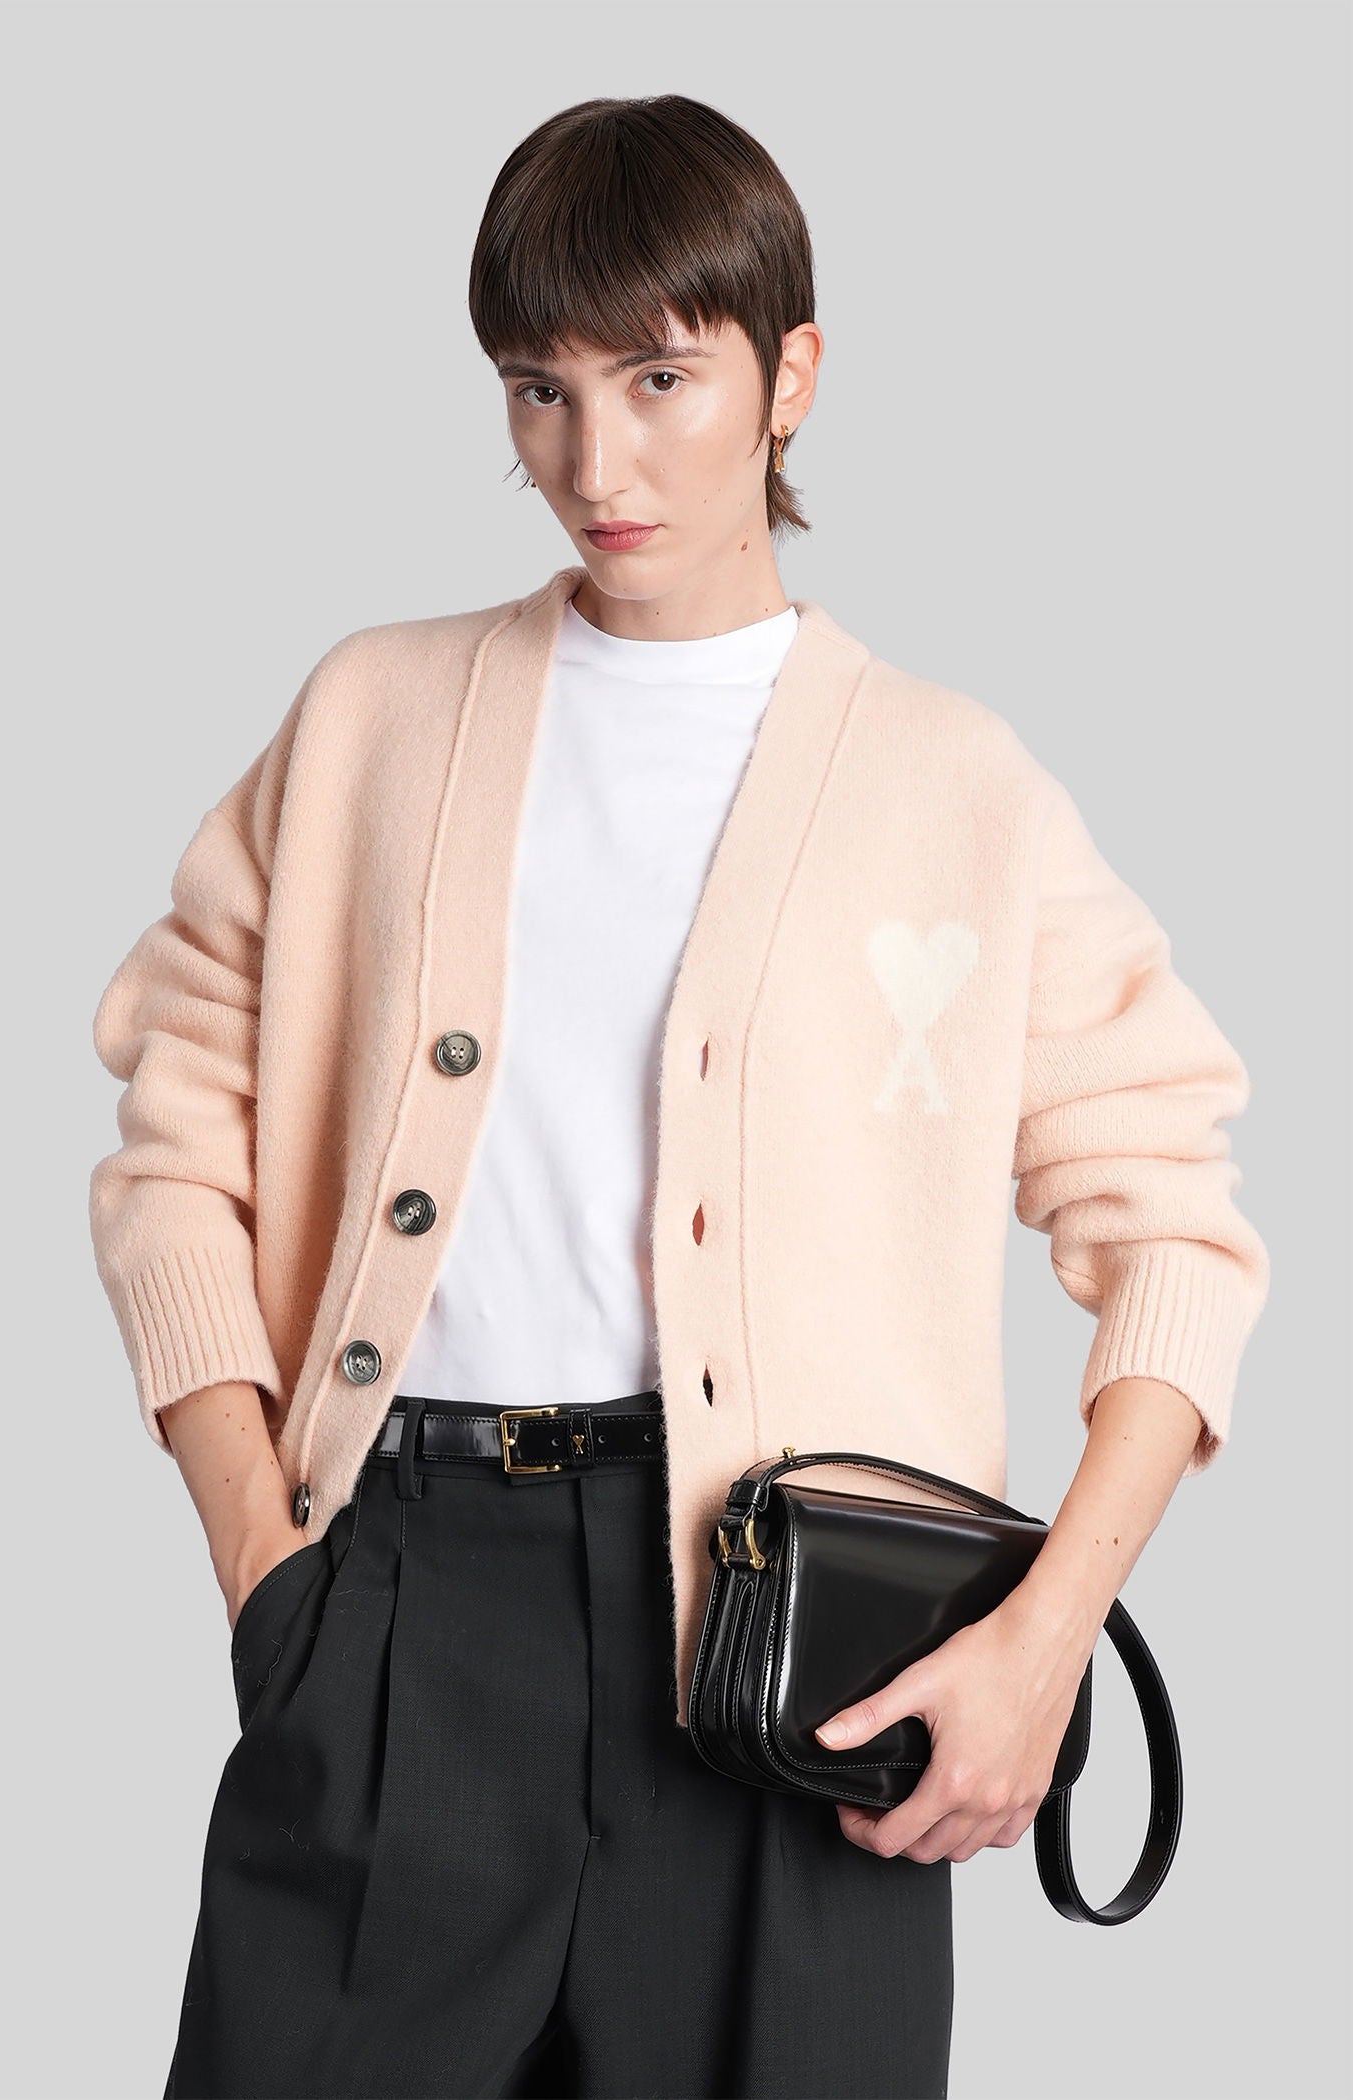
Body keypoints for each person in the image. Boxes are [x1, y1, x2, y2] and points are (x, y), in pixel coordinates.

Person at [88, 94, 1270, 2100]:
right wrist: (264, 1568)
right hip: (399, 1600)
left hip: (794, 1659)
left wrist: (1049, 1631)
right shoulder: (373, 717)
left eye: (660, 379)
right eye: (539, 391)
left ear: (790, 374)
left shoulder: (953, 787)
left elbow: (1176, 1223)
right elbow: (175, 1142)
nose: (595, 462)